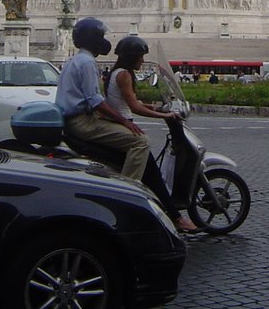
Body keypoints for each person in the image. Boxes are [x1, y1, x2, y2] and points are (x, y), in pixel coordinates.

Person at [106, 35, 198, 232]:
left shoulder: (118, 73)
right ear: (132, 57)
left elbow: (129, 102)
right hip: (125, 125)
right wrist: (161, 115)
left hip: (122, 122)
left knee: (152, 173)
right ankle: (173, 215)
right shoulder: (124, 75)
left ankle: (168, 213)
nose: (142, 60)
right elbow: (133, 107)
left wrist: (154, 106)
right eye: (140, 56)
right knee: (151, 171)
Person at [55, 17, 149, 181]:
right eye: (100, 37)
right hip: (82, 122)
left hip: (74, 119)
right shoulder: (87, 62)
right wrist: (124, 121)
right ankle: (129, 188)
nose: (104, 41)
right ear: (93, 39)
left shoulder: (74, 60)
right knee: (140, 142)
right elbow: (95, 101)